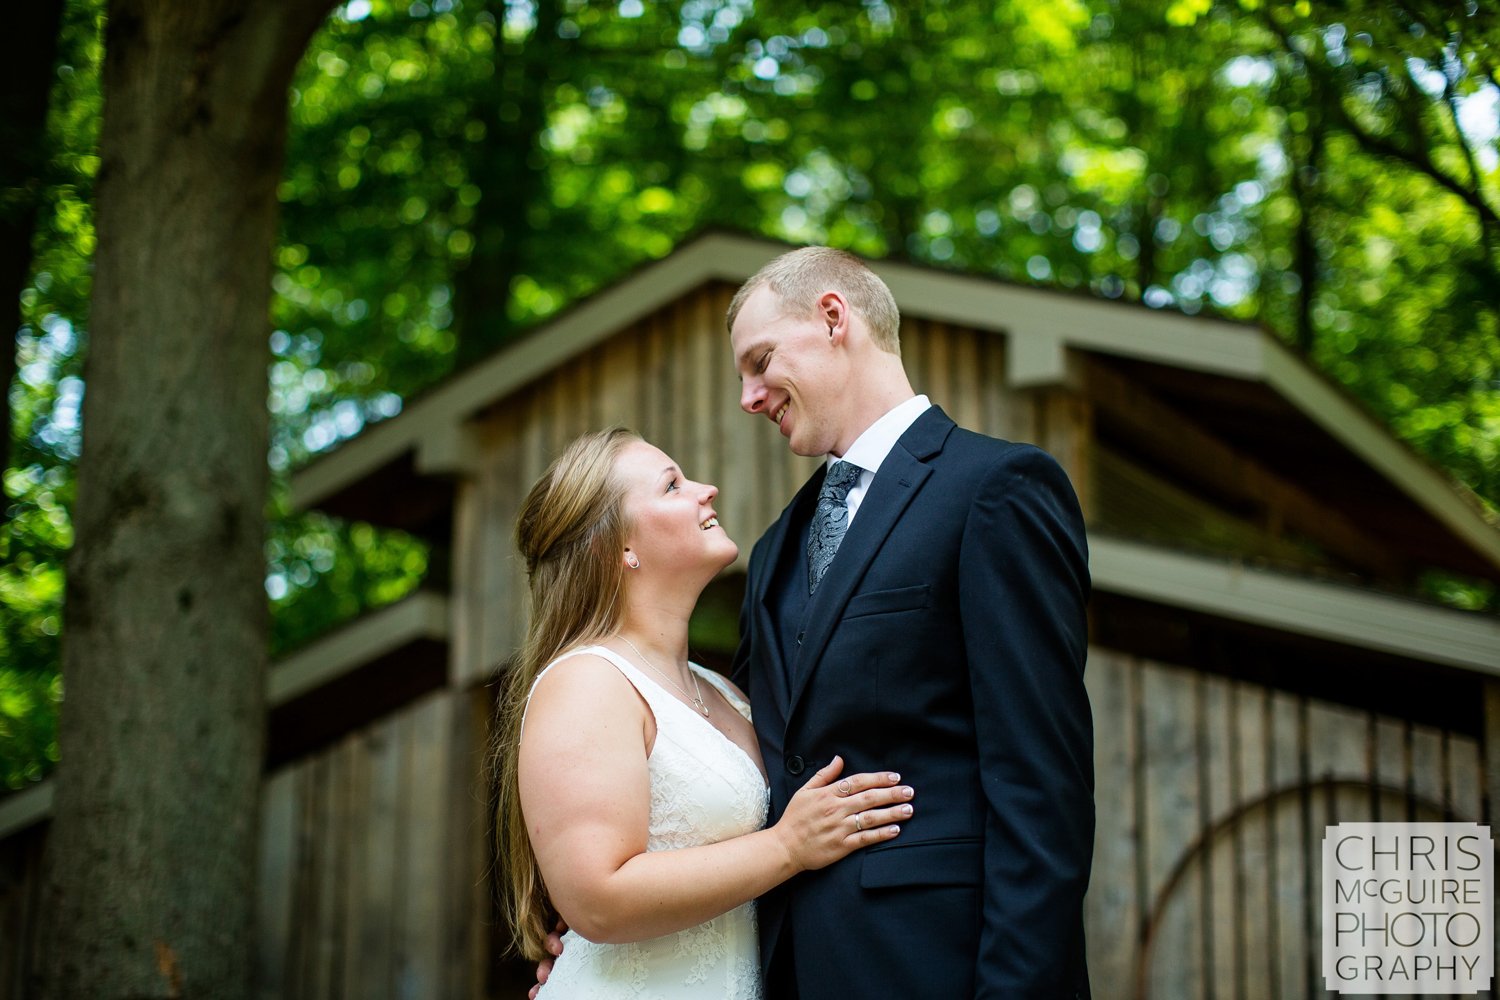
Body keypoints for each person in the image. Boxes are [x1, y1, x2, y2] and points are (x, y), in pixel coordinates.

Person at [725, 246, 1094, 998]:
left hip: (939, 967)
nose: (749, 397)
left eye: (760, 362)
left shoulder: (996, 489)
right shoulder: (773, 550)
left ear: (834, 319)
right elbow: (738, 765)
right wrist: (601, 923)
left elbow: (1041, 785)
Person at [494, 427, 916, 999]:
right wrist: (788, 846)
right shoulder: (587, 682)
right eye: (673, 485)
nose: (706, 489)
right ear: (617, 548)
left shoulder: (725, 691)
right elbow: (597, 898)